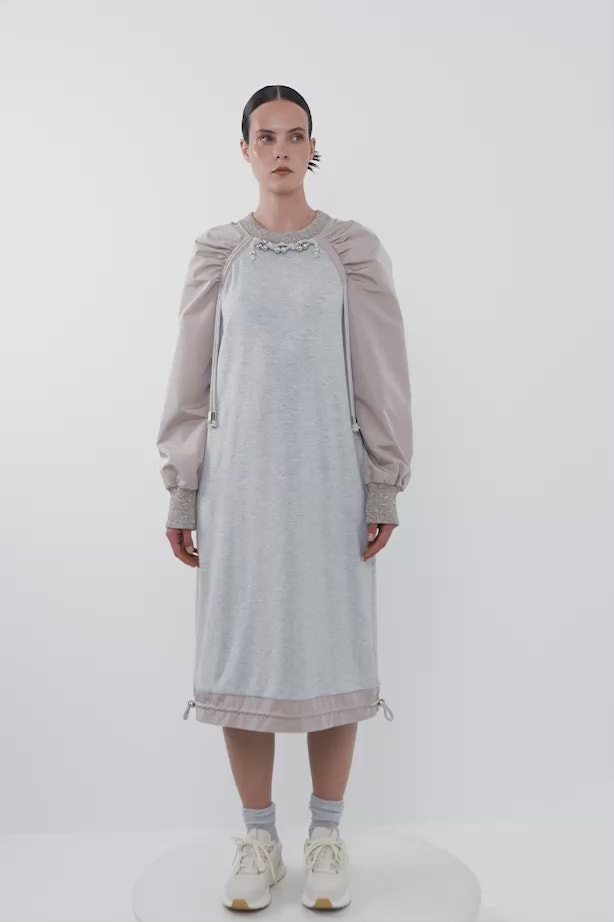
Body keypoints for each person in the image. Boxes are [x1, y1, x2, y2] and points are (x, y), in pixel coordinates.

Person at [156, 84, 413, 912]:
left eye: (294, 136)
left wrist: (383, 480)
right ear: (245, 150)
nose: (280, 150)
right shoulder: (217, 254)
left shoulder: (351, 251)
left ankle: (327, 837)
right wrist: (183, 489)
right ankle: (259, 840)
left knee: (335, 647)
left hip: (330, 485)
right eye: (265, 137)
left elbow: (381, 371)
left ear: (312, 148)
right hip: (238, 492)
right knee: (243, 652)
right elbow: (190, 379)